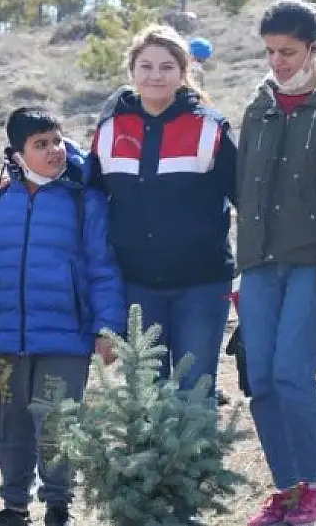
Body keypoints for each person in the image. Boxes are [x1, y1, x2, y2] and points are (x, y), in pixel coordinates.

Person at [0, 107, 126, 526]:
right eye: (40, 144)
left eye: (57, 141)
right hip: (6, 338)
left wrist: (106, 328)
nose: (53, 151)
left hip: (66, 336)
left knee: (59, 423)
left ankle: (59, 504)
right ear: (18, 153)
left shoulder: (85, 201)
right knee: (11, 426)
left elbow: (103, 267)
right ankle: (13, 506)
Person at [234, 0, 316, 526]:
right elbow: (243, 181)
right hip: (260, 263)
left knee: (293, 373)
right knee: (261, 380)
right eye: (270, 52)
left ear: (314, 47)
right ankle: (288, 492)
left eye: (288, 52)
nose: (277, 63)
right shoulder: (260, 104)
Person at [88, 25, 237, 403]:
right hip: (137, 285)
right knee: (145, 395)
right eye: (147, 66)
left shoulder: (210, 127)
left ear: (183, 72)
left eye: (167, 67)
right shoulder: (109, 129)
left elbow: (244, 197)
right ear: (132, 71)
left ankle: (199, 464)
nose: (156, 75)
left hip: (202, 285)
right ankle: (150, 465)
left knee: (194, 391)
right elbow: (88, 195)